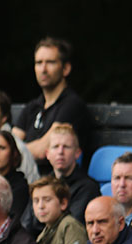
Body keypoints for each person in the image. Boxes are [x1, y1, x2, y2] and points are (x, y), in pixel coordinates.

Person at [12, 38, 94, 175]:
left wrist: (15, 152)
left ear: (66, 68)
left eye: (50, 62)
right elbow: (9, 144)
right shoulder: (32, 107)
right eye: (39, 63)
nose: (43, 69)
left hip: (55, 183)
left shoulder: (72, 105)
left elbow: (43, 151)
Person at [19, 123, 99, 235]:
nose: (60, 152)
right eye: (55, 147)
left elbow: (71, 227)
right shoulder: (40, 185)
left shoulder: (88, 187)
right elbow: (26, 225)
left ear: (77, 153)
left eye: (66, 147)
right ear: (47, 154)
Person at [30, 176, 87, 244]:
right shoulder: (43, 236)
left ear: (63, 203)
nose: (40, 206)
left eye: (47, 200)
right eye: (36, 201)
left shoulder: (69, 226)